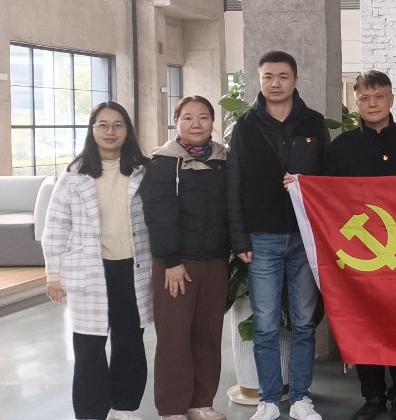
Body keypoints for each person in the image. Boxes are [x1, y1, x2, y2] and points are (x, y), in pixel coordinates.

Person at [226, 51, 330, 420]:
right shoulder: (245, 126)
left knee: (303, 323)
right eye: (268, 76)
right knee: (266, 323)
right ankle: (269, 399)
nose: (275, 83)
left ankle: (300, 397)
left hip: (305, 237)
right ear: (259, 80)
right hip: (261, 239)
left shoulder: (313, 122)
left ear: (295, 81)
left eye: (283, 76)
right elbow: (233, 184)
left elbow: (328, 178)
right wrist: (240, 239)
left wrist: (307, 184)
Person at [322, 71, 396, 420]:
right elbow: (327, 196)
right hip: (360, 254)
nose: (372, 104)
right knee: (364, 322)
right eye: (364, 98)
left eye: (379, 96)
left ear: (391, 99)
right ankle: (373, 396)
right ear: (356, 103)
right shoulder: (341, 147)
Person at [42, 102, 152, 420]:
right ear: (92, 130)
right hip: (90, 269)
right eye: (102, 124)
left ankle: (124, 407)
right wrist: (53, 274)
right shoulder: (74, 175)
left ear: (127, 130)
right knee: (89, 345)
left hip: (132, 267)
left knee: (129, 341)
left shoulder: (144, 170)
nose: (110, 131)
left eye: (118, 124)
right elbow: (56, 226)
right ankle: (91, 414)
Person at [140, 96, 231, 420]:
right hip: (177, 264)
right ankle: (173, 409)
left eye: (203, 117)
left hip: (215, 261)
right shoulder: (163, 163)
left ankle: (201, 403)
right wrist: (171, 261)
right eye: (188, 118)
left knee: (208, 335)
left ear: (212, 122)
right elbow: (158, 215)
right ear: (176, 122)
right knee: (174, 338)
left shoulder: (223, 160)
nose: (196, 124)